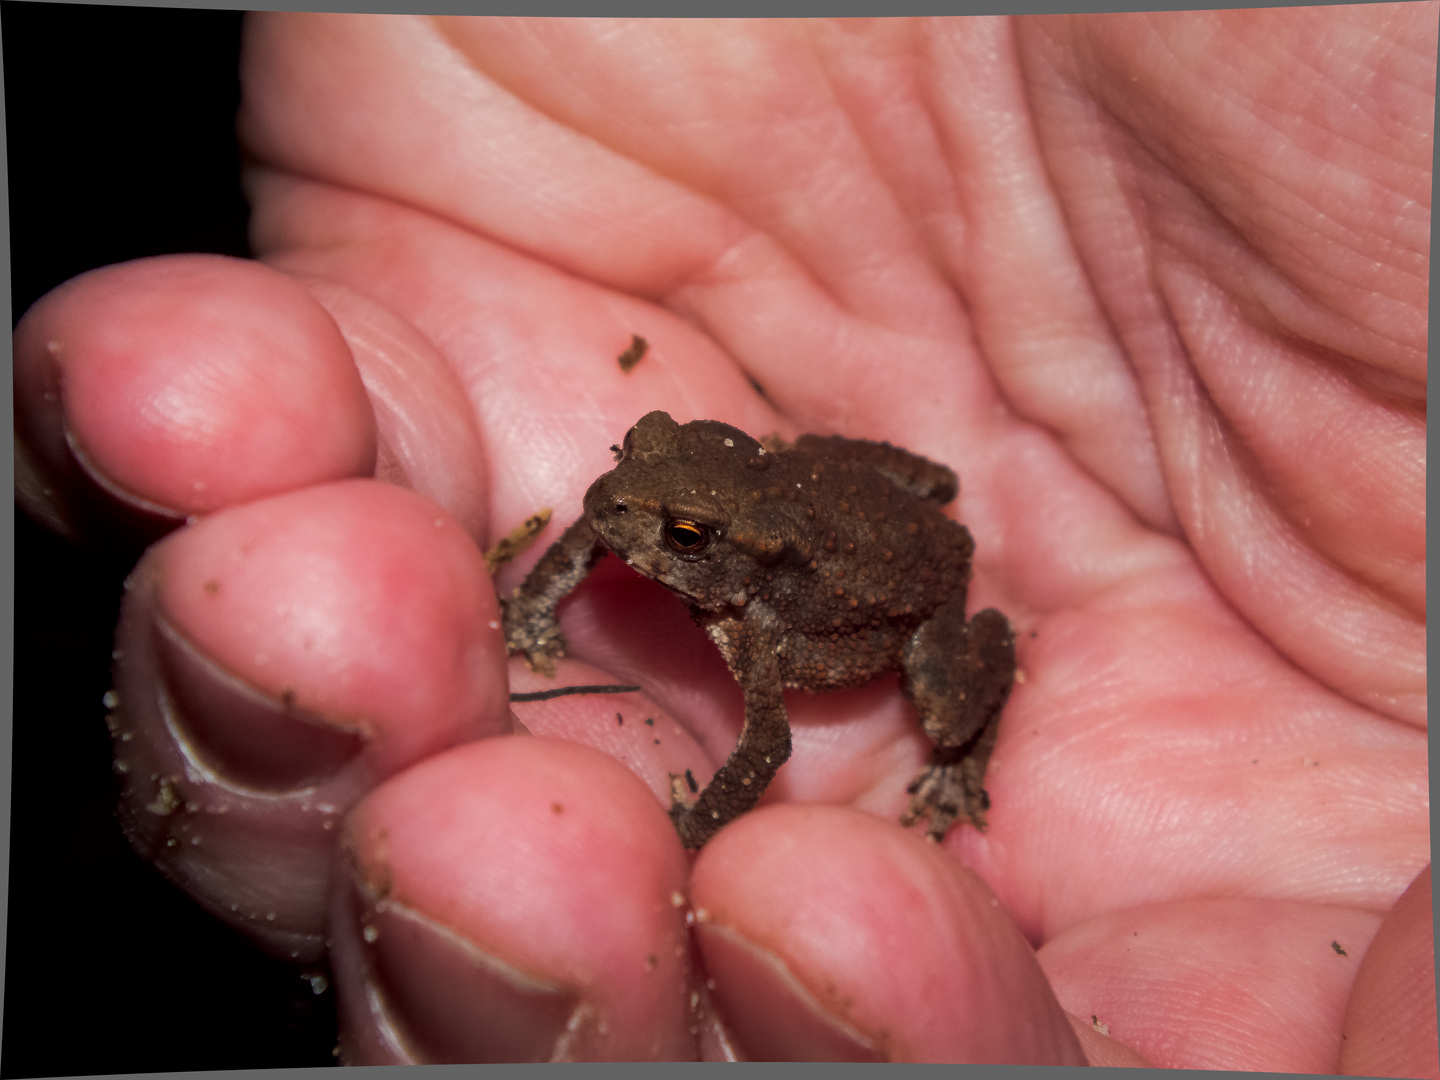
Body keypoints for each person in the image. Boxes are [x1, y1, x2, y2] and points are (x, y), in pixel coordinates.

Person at [12, 11, 1432, 1068]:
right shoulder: (665, 521)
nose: (628, 523)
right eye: (641, 487)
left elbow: (757, 748)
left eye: (673, 530)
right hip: (806, 495)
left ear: (727, 562)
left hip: (899, 586)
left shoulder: (763, 625)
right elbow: (610, 521)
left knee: (938, 716)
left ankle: (969, 747)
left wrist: (695, 831)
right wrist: (532, 603)